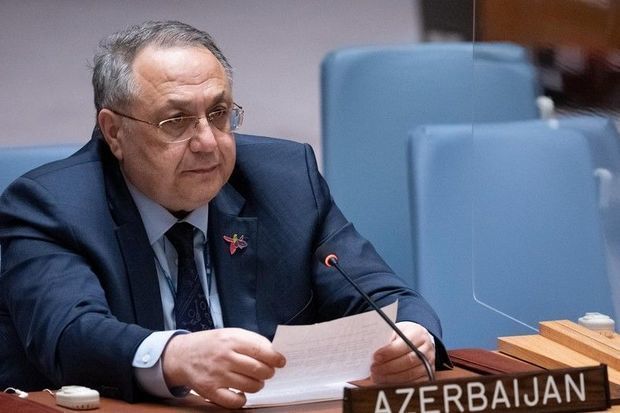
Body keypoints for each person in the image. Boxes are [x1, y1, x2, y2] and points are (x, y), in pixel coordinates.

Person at [0, 20, 449, 409]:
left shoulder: (287, 183)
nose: (208, 142)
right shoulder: (50, 207)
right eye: (175, 121)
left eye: (218, 114)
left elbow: (385, 295)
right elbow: (70, 335)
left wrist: (411, 336)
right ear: (114, 132)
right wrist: (175, 357)